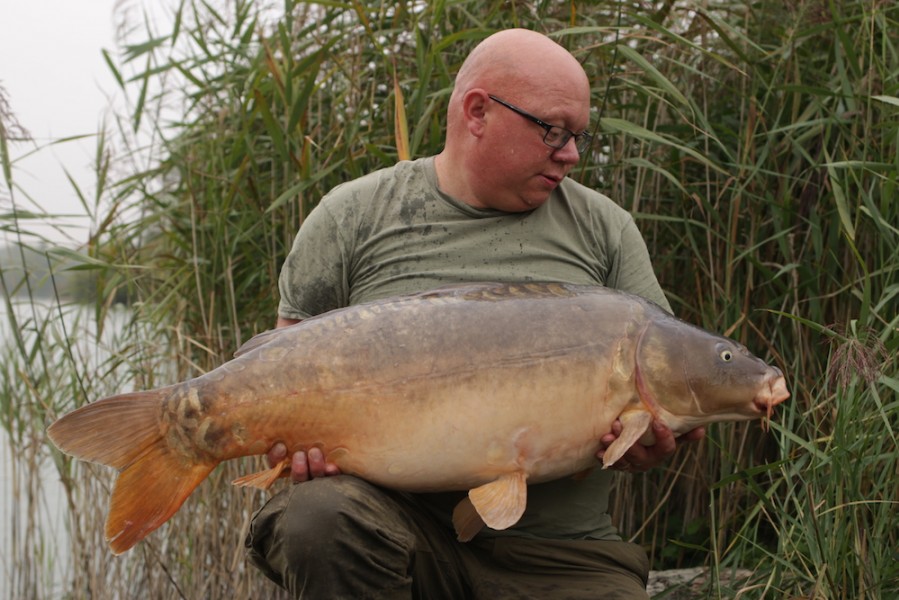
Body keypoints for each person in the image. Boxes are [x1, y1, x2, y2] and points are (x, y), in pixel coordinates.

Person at [245, 28, 703, 599]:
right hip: (397, 533)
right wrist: (294, 451)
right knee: (317, 514)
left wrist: (652, 445)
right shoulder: (354, 217)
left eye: (579, 136)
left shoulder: (605, 230)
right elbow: (280, 372)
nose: (571, 154)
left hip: (561, 554)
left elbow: (670, 377)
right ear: (479, 111)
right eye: (554, 131)